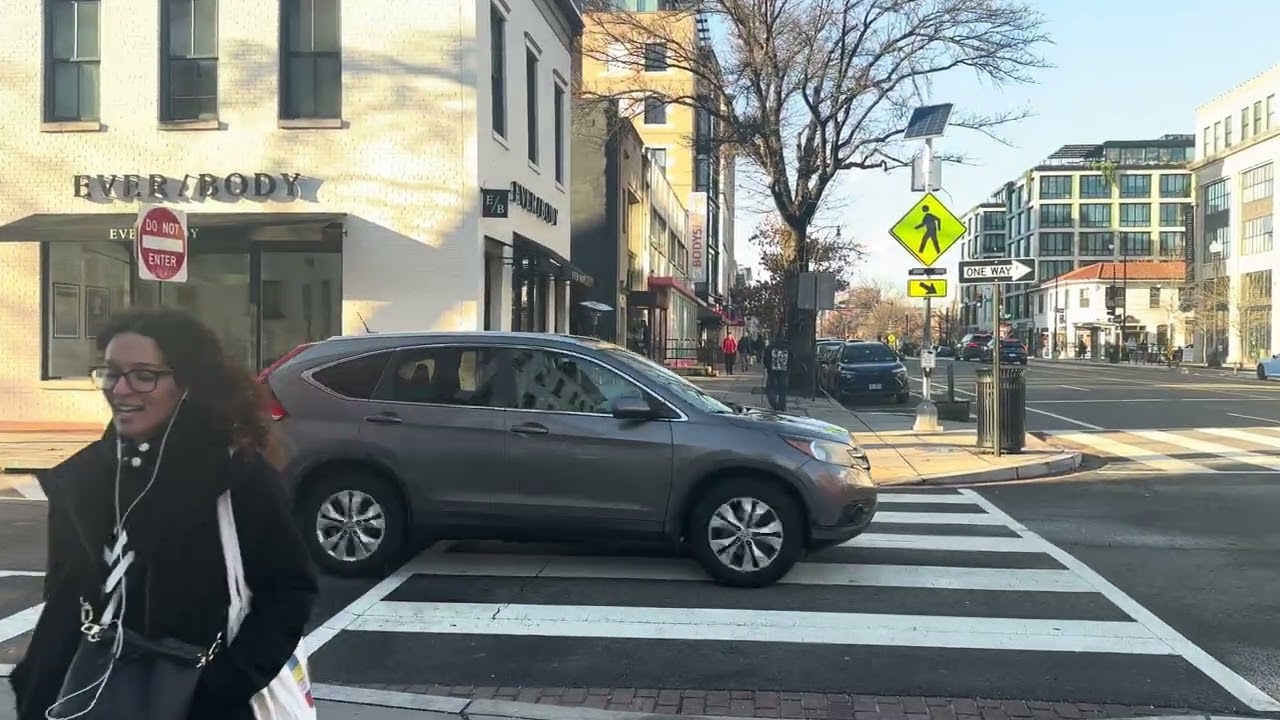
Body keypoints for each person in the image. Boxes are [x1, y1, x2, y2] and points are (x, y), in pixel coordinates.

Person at [9, 308, 318, 720]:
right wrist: (36, 679)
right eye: (112, 373)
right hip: (87, 695)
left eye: (144, 375)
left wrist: (217, 691)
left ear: (186, 384)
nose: (121, 389)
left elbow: (289, 592)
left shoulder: (235, 477)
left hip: (198, 699)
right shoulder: (84, 477)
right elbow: (64, 594)